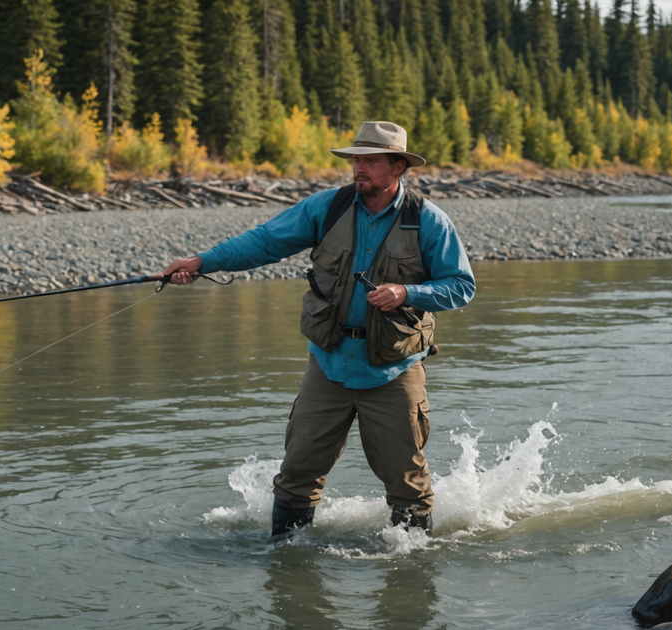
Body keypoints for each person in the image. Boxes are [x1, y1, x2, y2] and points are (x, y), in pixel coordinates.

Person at [163, 121, 475, 537]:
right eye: (356, 160)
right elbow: (264, 241)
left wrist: (407, 291)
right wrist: (202, 262)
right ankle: (284, 561)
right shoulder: (326, 208)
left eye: (371, 161)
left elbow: (461, 286)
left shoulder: (430, 221)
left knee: (407, 486)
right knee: (296, 476)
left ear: (398, 166)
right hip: (327, 365)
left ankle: (413, 569)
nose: (359, 168)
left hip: (394, 372)